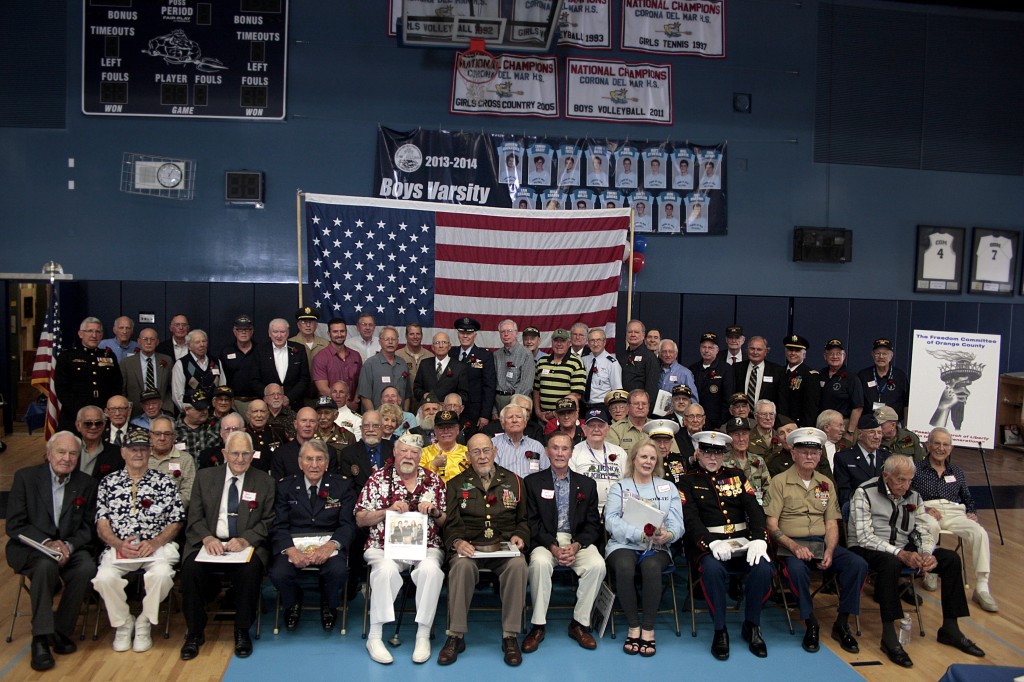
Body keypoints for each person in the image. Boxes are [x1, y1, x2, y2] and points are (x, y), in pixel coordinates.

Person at [848, 454, 985, 667]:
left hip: (902, 546)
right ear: (886, 476)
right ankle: (889, 635)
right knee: (890, 563)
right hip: (868, 548)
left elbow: (921, 529)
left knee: (950, 559)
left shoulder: (914, 496)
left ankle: (950, 628)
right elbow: (864, 536)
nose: (906, 485)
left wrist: (926, 552)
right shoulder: (864, 492)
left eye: (910, 480)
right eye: (900, 480)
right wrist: (900, 553)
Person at [763, 427, 867, 655]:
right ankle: (810, 622)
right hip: (790, 544)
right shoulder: (779, 482)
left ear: (820, 455)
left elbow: (832, 523)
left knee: (857, 564)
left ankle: (842, 622)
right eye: (804, 452)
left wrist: (830, 550)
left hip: (821, 542)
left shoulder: (826, 484)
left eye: (814, 452)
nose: (810, 457)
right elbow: (771, 525)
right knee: (797, 570)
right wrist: (794, 546)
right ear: (793, 454)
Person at [179, 431, 276, 661]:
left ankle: (242, 630)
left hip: (245, 545)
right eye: (235, 453)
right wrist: (207, 538)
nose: (240, 459)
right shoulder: (205, 477)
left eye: (245, 454)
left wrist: (246, 540)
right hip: (208, 543)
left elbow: (269, 520)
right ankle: (194, 632)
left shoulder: (265, 481)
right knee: (190, 569)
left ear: (253, 455)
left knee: (250, 569)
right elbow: (194, 517)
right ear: (224, 453)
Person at [5, 431, 98, 672]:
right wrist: (47, 544)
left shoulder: (86, 484)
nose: (67, 458)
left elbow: (88, 527)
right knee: (45, 566)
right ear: (48, 454)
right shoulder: (25, 478)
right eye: (61, 452)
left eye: (73, 454)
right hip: (31, 547)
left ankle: (61, 630)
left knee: (87, 567)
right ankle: (40, 639)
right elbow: (15, 525)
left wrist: (67, 546)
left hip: (68, 546)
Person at [680, 430, 773, 660]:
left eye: (718, 453)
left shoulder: (737, 476)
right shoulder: (687, 480)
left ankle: (752, 624)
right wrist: (710, 543)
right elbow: (690, 519)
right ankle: (720, 629)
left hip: (742, 541)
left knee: (763, 567)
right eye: (707, 453)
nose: (713, 458)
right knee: (712, 571)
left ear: (724, 454)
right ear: (698, 453)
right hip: (708, 544)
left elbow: (754, 508)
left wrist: (759, 538)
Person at [440, 433, 530, 666]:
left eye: (486, 450)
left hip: (503, 548)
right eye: (476, 452)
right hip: (470, 547)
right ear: (468, 456)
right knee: (460, 567)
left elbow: (524, 520)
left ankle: (510, 636)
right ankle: (455, 636)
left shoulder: (515, 481)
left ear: (495, 451)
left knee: (518, 565)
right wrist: (457, 542)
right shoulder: (456, 484)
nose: (482, 456)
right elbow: (450, 524)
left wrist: (520, 536)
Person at [356, 433, 447, 664]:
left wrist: (435, 512)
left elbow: (446, 520)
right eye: (403, 451)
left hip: (426, 545)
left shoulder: (434, 481)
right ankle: (375, 637)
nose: (408, 456)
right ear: (394, 453)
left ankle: (423, 634)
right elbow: (360, 519)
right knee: (385, 570)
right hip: (383, 546)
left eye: (414, 452)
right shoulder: (378, 479)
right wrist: (386, 511)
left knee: (431, 571)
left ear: (420, 456)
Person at [93, 427, 184, 653]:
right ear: (123, 452)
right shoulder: (108, 483)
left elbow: (176, 520)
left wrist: (155, 542)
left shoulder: (164, 482)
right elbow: (101, 522)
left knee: (162, 575)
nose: (138, 454)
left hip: (155, 547)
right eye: (133, 449)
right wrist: (117, 543)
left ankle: (144, 621)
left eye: (143, 449)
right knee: (103, 579)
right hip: (120, 547)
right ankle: (124, 623)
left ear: (149, 452)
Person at [522, 433, 605, 653]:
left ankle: (579, 624)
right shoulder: (532, 482)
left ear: (571, 452)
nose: (560, 453)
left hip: (576, 541)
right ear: (547, 451)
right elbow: (532, 522)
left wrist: (576, 545)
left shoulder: (587, 484)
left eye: (565, 448)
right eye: (555, 448)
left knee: (597, 565)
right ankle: (538, 625)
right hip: (545, 540)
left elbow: (593, 524)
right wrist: (553, 547)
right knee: (539, 563)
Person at [604, 441, 683, 657]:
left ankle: (648, 628)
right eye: (643, 457)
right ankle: (633, 626)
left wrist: (670, 535)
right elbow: (610, 521)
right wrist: (638, 534)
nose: (647, 462)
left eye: (652, 458)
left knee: (651, 568)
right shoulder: (619, 487)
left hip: (657, 547)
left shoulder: (668, 487)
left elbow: (678, 523)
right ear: (633, 459)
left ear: (657, 462)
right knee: (624, 566)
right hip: (623, 544)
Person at [270, 439, 355, 632]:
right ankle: (292, 601)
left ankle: (329, 602)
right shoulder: (285, 487)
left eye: (319, 459)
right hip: (294, 542)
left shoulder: (342, 486)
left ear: (326, 463)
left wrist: (331, 545)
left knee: (339, 571)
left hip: (329, 542)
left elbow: (347, 524)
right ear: (300, 463)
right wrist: (290, 550)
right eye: (309, 459)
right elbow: (279, 525)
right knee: (278, 574)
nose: (314, 465)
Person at [913, 428, 998, 611]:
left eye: (945, 444)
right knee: (931, 526)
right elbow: (907, 495)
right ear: (928, 445)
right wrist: (924, 508)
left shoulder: (956, 471)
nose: (941, 448)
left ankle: (982, 586)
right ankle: (931, 571)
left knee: (979, 532)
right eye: (937, 443)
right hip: (927, 510)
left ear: (951, 449)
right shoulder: (917, 468)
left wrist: (972, 512)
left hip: (954, 512)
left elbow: (967, 498)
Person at [55, 317, 123, 431]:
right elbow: (62, 390)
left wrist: (106, 410)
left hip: (103, 415)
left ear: (102, 335)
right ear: (80, 334)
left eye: (98, 332)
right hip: (74, 416)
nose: (94, 335)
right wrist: (82, 413)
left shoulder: (109, 356)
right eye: (90, 331)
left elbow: (116, 386)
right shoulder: (67, 357)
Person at [569, 406, 626, 512]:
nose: (596, 429)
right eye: (591, 426)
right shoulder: (574, 452)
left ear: (608, 429)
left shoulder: (619, 452)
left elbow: (627, 482)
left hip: (615, 510)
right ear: (584, 429)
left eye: (600, 425)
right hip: (585, 510)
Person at [251, 318, 311, 409]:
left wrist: (289, 397)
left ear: (288, 333)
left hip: (294, 404)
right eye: (275, 332)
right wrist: (270, 397)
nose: (279, 335)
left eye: (282, 332)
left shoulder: (299, 349)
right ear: (269, 333)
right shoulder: (260, 350)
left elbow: (304, 379)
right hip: (267, 406)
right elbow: (254, 380)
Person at [450, 317, 497, 431]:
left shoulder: (484, 356)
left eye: (469, 333)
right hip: (453, 410)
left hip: (475, 412)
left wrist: (485, 415)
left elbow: (489, 387)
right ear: (458, 334)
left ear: (475, 335)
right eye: (462, 332)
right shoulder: (451, 353)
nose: (465, 336)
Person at [834, 414, 890, 509]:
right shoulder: (844, 457)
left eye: (879, 433)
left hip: (884, 510)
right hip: (856, 508)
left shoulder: (887, 457)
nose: (877, 437)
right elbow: (844, 492)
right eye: (872, 432)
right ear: (860, 435)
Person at [533, 328, 587, 422]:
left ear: (569, 343)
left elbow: (577, 394)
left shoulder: (576, 362)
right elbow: (536, 389)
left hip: (565, 417)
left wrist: (554, 413)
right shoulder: (542, 361)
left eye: (563, 341)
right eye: (556, 341)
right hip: (542, 417)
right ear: (552, 342)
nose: (559, 344)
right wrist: (538, 412)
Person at [272, 407, 337, 480]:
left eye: (312, 421)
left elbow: (332, 483)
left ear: (317, 426)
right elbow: (279, 485)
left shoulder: (329, 451)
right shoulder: (281, 453)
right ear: (295, 424)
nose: (308, 425)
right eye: (303, 421)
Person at [123, 327, 174, 418]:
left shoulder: (167, 360)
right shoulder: (127, 363)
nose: (149, 342)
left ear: (157, 342)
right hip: (135, 412)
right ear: (138, 341)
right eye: (145, 339)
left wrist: (168, 408)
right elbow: (123, 391)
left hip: (162, 412)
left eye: (152, 339)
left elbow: (171, 388)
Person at [170, 329, 225, 412]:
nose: (202, 345)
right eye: (197, 342)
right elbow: (177, 396)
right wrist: (188, 412)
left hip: (214, 413)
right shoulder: (182, 364)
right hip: (192, 415)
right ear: (189, 346)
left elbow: (222, 387)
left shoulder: (216, 362)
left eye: (204, 341)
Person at [359, 326, 411, 412]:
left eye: (393, 339)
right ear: (380, 342)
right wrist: (374, 418)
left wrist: (405, 415)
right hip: (378, 418)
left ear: (397, 342)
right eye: (387, 339)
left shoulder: (403, 364)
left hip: (399, 419)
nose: (390, 342)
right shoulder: (370, 364)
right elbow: (365, 396)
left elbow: (407, 395)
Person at [149, 415, 196, 509]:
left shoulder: (185, 459)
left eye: (167, 434)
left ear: (174, 437)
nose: (162, 438)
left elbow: (188, 493)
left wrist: (167, 510)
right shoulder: (140, 457)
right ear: (150, 435)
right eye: (157, 433)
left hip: (174, 514)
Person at [857, 338, 910, 423]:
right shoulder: (863, 375)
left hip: (892, 425)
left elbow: (906, 403)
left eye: (885, 354)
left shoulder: (900, 376)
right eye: (878, 353)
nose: (881, 357)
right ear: (872, 354)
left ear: (891, 355)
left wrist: (906, 426)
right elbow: (857, 403)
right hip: (868, 423)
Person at [312, 317, 363, 405]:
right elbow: (323, 389)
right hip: (330, 407)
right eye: (335, 332)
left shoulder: (356, 355)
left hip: (354, 407)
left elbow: (360, 382)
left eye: (342, 331)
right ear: (329, 333)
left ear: (346, 332)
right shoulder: (320, 357)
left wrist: (354, 401)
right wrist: (345, 404)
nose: (339, 335)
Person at [689, 332, 735, 427]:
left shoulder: (726, 369)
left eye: (710, 348)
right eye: (703, 347)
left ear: (717, 350)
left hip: (716, 423)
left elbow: (728, 400)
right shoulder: (692, 369)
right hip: (695, 421)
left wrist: (721, 423)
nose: (706, 350)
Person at [818, 339, 863, 432]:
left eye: (838, 353)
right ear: (825, 356)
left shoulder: (852, 378)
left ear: (844, 356)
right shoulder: (820, 374)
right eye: (831, 353)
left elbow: (858, 408)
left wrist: (850, 431)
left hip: (842, 425)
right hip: (821, 424)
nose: (834, 356)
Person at [722, 416, 770, 504]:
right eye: (736, 435)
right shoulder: (722, 462)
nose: (741, 439)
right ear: (729, 438)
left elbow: (768, 491)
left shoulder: (758, 461)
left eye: (744, 434)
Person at [493, 403, 548, 478]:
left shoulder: (536, 446)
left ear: (525, 423)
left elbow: (546, 474)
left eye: (518, 417)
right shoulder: (493, 444)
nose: (514, 420)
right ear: (502, 424)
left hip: (530, 488)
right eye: (510, 417)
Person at [413, 331, 469, 403]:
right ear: (432, 347)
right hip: (429, 409)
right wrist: (424, 395)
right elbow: (416, 389)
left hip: (449, 411)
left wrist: (450, 402)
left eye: (444, 342)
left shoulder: (460, 367)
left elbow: (464, 395)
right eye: (437, 343)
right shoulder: (425, 364)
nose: (441, 346)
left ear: (449, 346)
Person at [218, 315, 259, 413]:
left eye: (247, 329)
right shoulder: (226, 352)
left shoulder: (260, 350)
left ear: (252, 331)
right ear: (234, 331)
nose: (244, 332)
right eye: (240, 329)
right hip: (233, 402)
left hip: (257, 401)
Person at [733, 336, 787, 408]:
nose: (755, 352)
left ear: (766, 352)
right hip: (741, 415)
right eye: (752, 349)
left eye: (759, 349)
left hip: (766, 417)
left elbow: (781, 400)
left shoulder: (777, 371)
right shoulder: (736, 368)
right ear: (747, 350)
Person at [781, 335, 820, 428]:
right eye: (790, 350)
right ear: (786, 353)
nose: (793, 353)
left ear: (804, 354)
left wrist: (804, 428)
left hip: (799, 425)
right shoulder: (779, 372)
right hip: (780, 423)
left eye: (797, 351)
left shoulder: (810, 375)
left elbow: (811, 407)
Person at [75, 405, 124, 479]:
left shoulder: (117, 453)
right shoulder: (69, 450)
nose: (93, 427)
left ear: (104, 425)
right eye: (88, 423)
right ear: (78, 425)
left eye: (98, 423)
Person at [620, 320, 660, 412]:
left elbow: (652, 388)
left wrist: (646, 409)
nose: (633, 334)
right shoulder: (622, 356)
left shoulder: (649, 357)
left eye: (636, 332)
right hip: (623, 407)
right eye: (630, 332)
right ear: (626, 335)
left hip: (640, 408)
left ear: (643, 336)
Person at [175, 390, 221, 465]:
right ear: (187, 410)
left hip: (211, 473)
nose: (205, 412)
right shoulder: (173, 429)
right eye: (200, 409)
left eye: (206, 407)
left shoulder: (217, 424)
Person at [240, 401, 286, 471]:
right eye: (255, 411)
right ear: (248, 414)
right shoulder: (242, 435)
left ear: (268, 414)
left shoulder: (278, 432)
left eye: (262, 411)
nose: (259, 415)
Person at [581, 327, 621, 408]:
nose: (595, 344)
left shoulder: (612, 363)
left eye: (598, 340)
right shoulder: (583, 360)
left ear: (604, 342)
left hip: (602, 406)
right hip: (584, 406)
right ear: (588, 343)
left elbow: (616, 391)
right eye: (592, 340)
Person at [290, 306, 329, 372]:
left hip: (321, 381)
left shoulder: (326, 344)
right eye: (304, 322)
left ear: (316, 325)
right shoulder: (290, 343)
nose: (308, 325)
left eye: (311, 322)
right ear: (298, 325)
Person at [397, 323, 432, 393]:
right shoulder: (397, 355)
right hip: (403, 400)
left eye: (418, 334)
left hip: (424, 400)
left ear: (422, 336)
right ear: (406, 336)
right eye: (411, 334)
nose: (415, 337)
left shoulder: (430, 356)